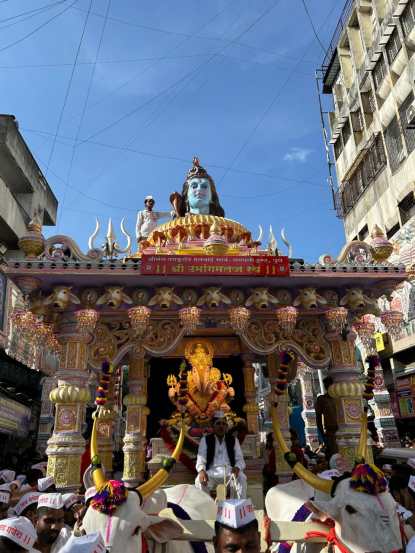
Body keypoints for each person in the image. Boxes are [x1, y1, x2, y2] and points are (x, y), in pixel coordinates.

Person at [195, 412, 247, 498]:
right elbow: (201, 459)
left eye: (223, 424)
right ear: (213, 426)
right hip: (211, 473)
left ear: (226, 427)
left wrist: (237, 467)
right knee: (199, 480)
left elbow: (240, 459)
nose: (221, 426)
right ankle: (206, 509)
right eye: (218, 423)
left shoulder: (233, 440)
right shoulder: (206, 440)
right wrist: (201, 471)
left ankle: (237, 506)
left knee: (241, 477)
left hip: (229, 472)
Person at [315, 376, 338, 459]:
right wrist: (322, 436)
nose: (327, 387)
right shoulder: (322, 399)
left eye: (329, 385)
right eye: (326, 385)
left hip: (342, 430)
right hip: (330, 433)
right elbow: (318, 418)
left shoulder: (339, 398)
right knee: (334, 457)